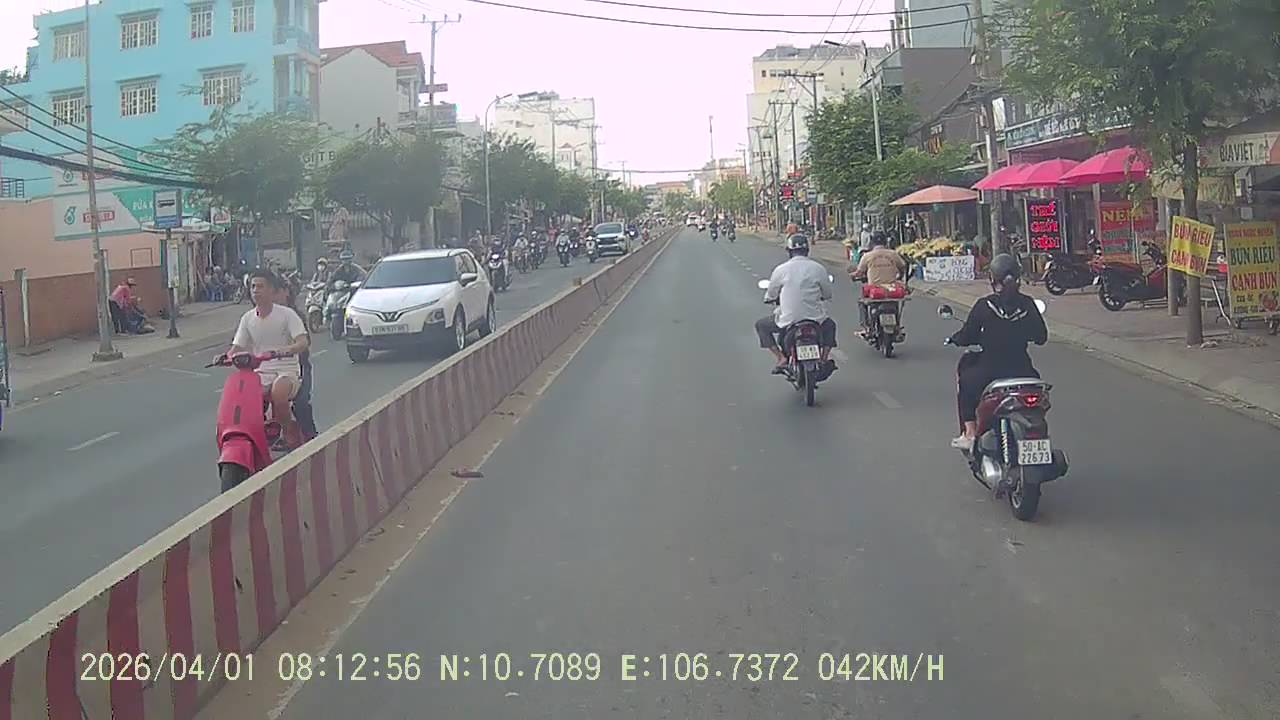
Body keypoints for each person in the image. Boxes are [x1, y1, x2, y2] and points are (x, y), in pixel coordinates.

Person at [947, 253, 1048, 451]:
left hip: (990, 371)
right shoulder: (1028, 304)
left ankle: (969, 433)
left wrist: (956, 339)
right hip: (1023, 370)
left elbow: (967, 335)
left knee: (966, 383)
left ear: (994, 279)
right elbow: (1041, 337)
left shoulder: (985, 305)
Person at [231, 270, 310, 448]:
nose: (255, 290)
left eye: (260, 286)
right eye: (253, 286)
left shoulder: (287, 314)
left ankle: (288, 430)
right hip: (261, 371)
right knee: (245, 396)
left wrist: (287, 350)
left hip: (287, 370)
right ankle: (259, 433)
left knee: (278, 392)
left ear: (272, 290)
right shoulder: (247, 318)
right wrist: (226, 357)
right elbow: (237, 346)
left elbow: (303, 342)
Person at [755, 234, 838, 377]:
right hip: (816, 319)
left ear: (789, 251)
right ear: (807, 250)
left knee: (761, 325)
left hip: (788, 320)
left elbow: (771, 294)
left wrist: (769, 299)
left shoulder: (781, 269)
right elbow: (827, 293)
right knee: (830, 326)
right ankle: (824, 358)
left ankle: (781, 358)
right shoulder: (818, 268)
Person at [851, 232, 909, 334]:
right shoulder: (893, 254)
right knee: (897, 303)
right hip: (892, 289)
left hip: (875, 290)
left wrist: (853, 275)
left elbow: (859, 272)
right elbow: (903, 267)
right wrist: (900, 276)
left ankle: (867, 327)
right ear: (886, 242)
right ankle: (897, 326)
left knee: (862, 302)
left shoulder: (867, 256)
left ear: (872, 243)